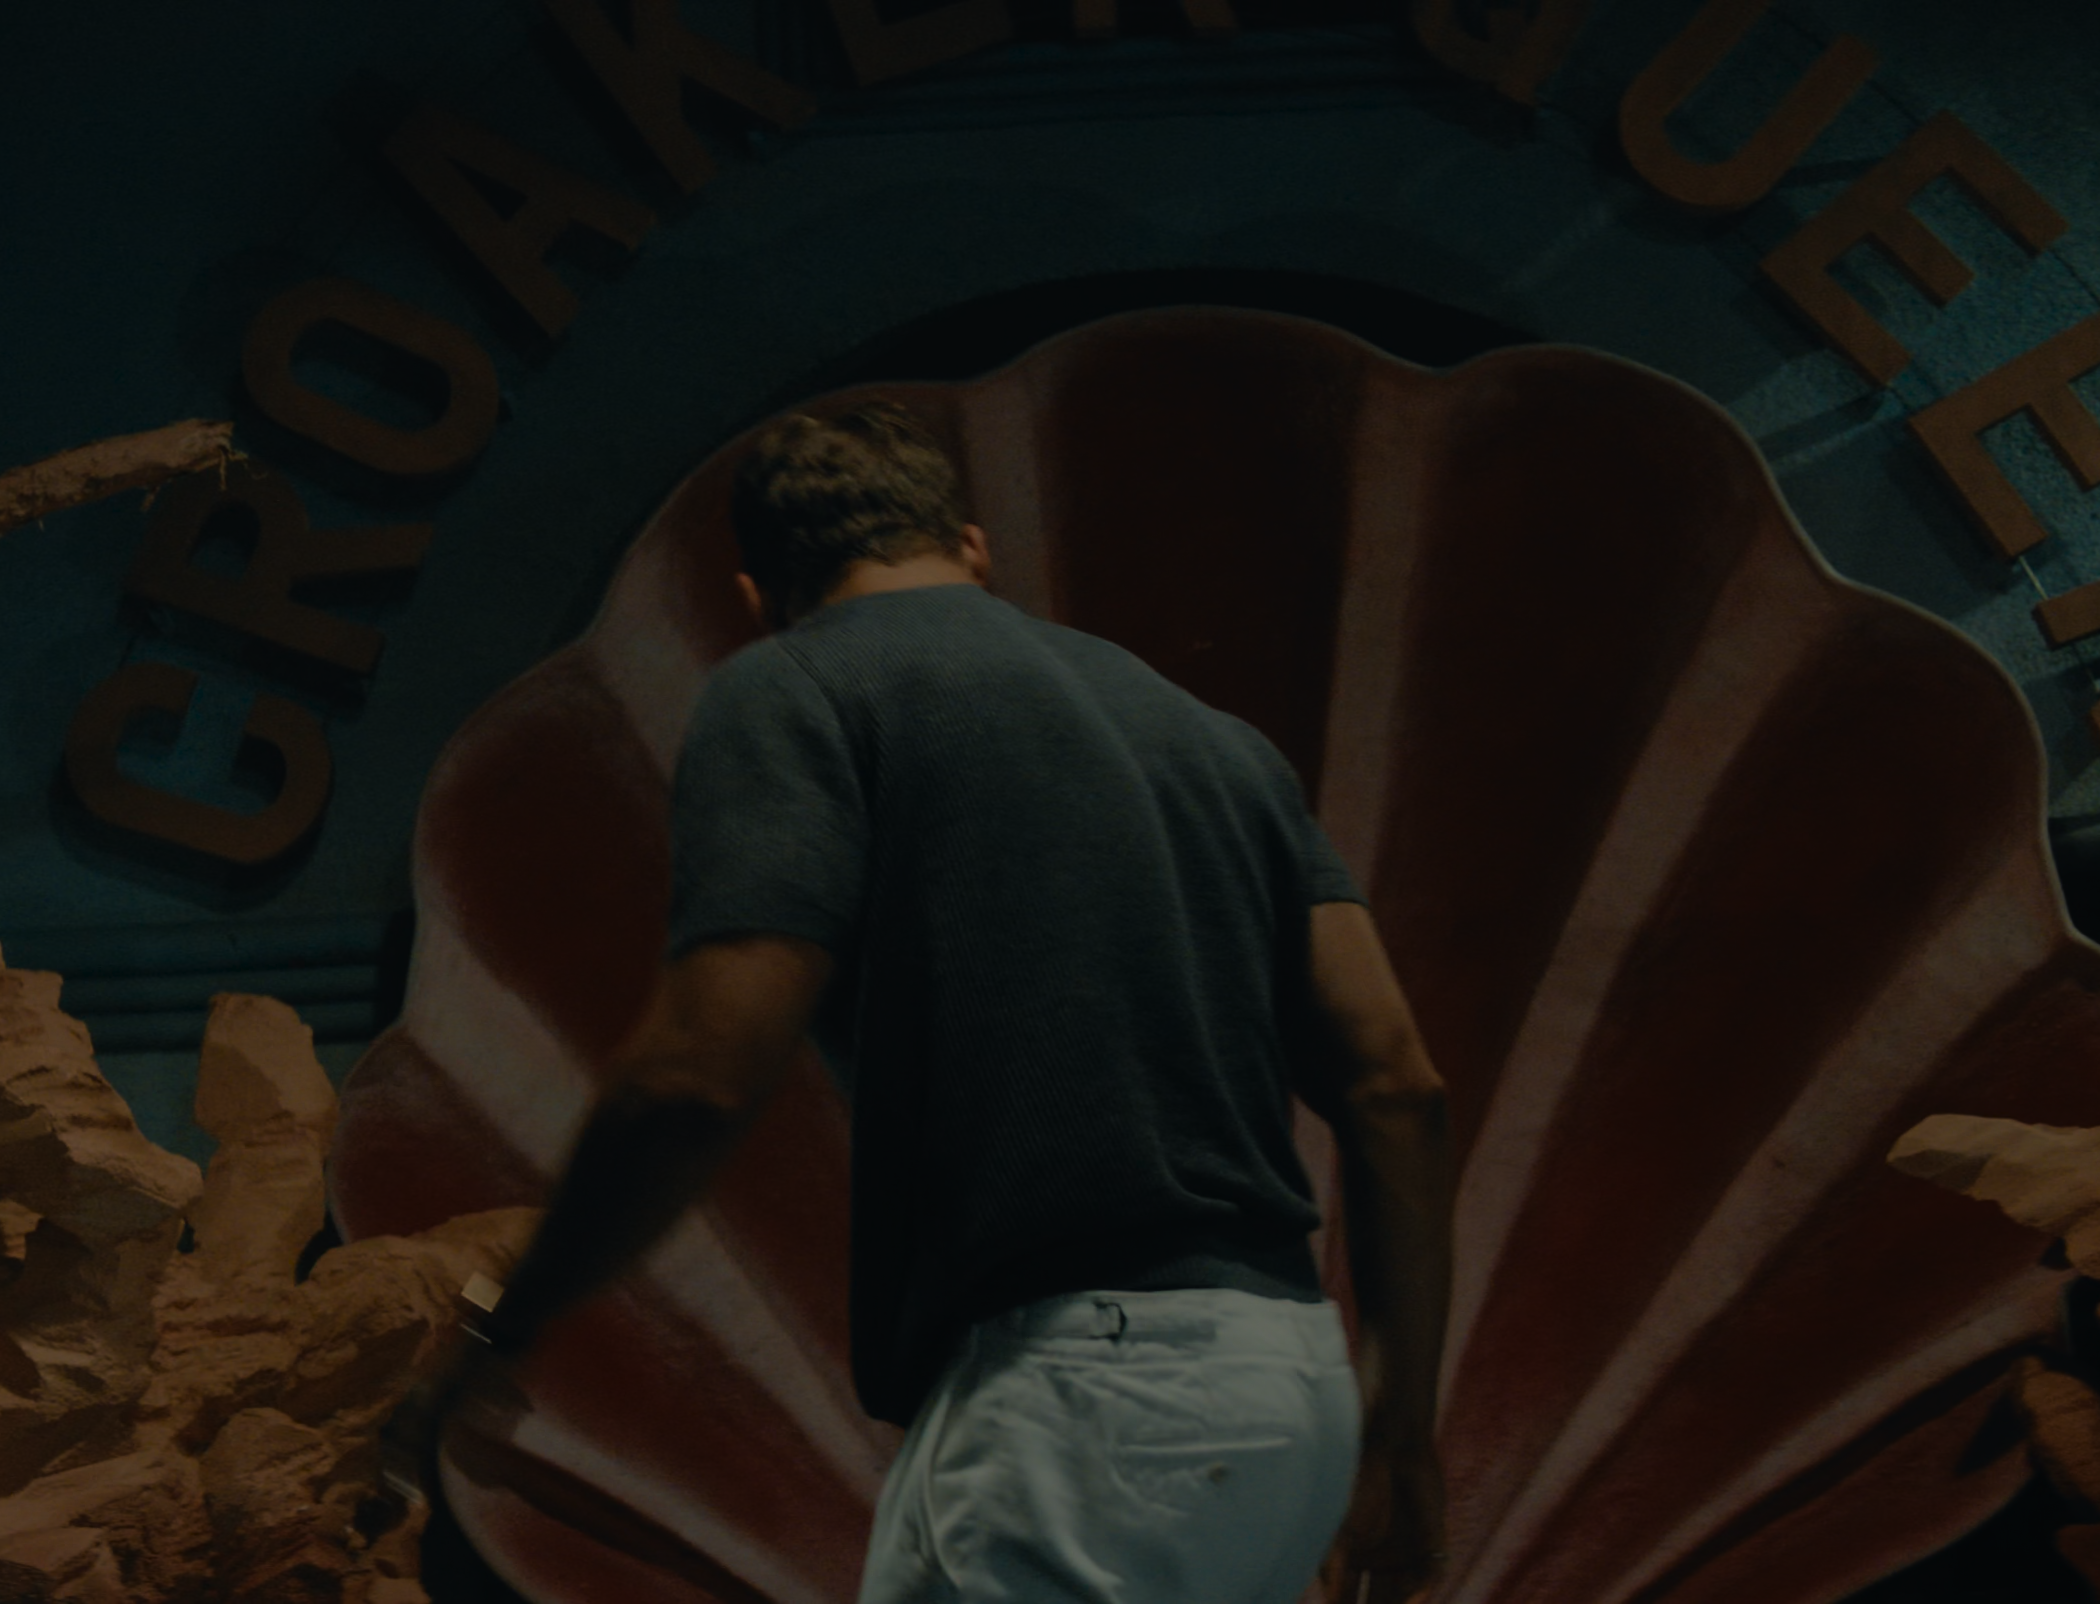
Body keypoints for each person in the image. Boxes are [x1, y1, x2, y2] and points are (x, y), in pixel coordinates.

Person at [378, 405, 1454, 1604]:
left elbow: (696, 1074)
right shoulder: (1217, 742)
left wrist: (507, 1323)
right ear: (974, 549)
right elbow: (1398, 1085)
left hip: (1079, 1402)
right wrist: (1401, 1430)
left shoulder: (799, 688)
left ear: (756, 595)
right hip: (1287, 1388)